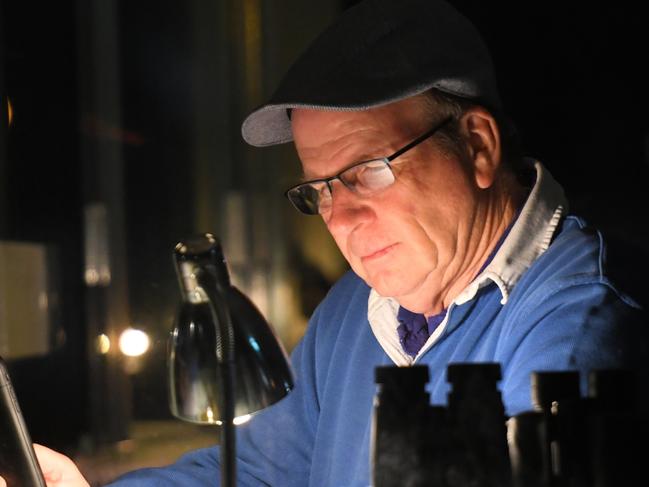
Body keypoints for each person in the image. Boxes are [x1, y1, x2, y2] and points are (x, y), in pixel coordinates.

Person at [8, 0, 648, 485]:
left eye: (368, 171)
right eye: (320, 189)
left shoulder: (583, 326)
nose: (340, 220)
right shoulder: (358, 309)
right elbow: (263, 471)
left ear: (478, 146)